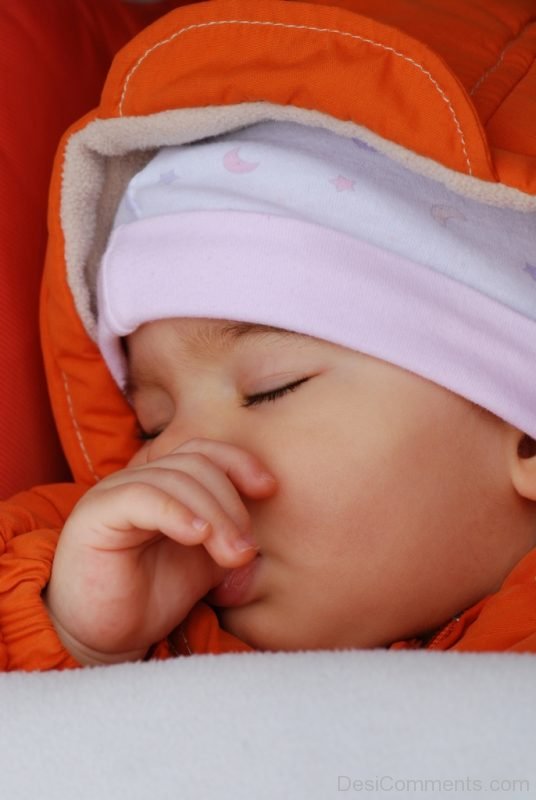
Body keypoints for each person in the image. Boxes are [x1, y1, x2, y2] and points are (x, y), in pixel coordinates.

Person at [2, 2, 536, 671]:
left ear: (526, 435)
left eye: (270, 390)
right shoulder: (152, 622)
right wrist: (79, 638)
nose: (183, 452)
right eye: (151, 425)